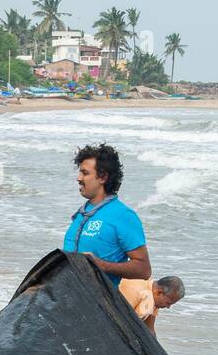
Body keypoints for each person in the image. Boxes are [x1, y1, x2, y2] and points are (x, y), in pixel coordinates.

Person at [61, 143, 150, 285]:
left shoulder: (123, 216)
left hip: (95, 302)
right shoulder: (82, 214)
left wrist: (101, 265)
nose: (78, 178)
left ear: (103, 177)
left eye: (85, 173)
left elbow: (144, 269)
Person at [119, 275, 185, 337]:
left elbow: (150, 329)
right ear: (159, 292)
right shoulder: (136, 292)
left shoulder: (154, 295)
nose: (168, 307)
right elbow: (119, 317)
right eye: (168, 303)